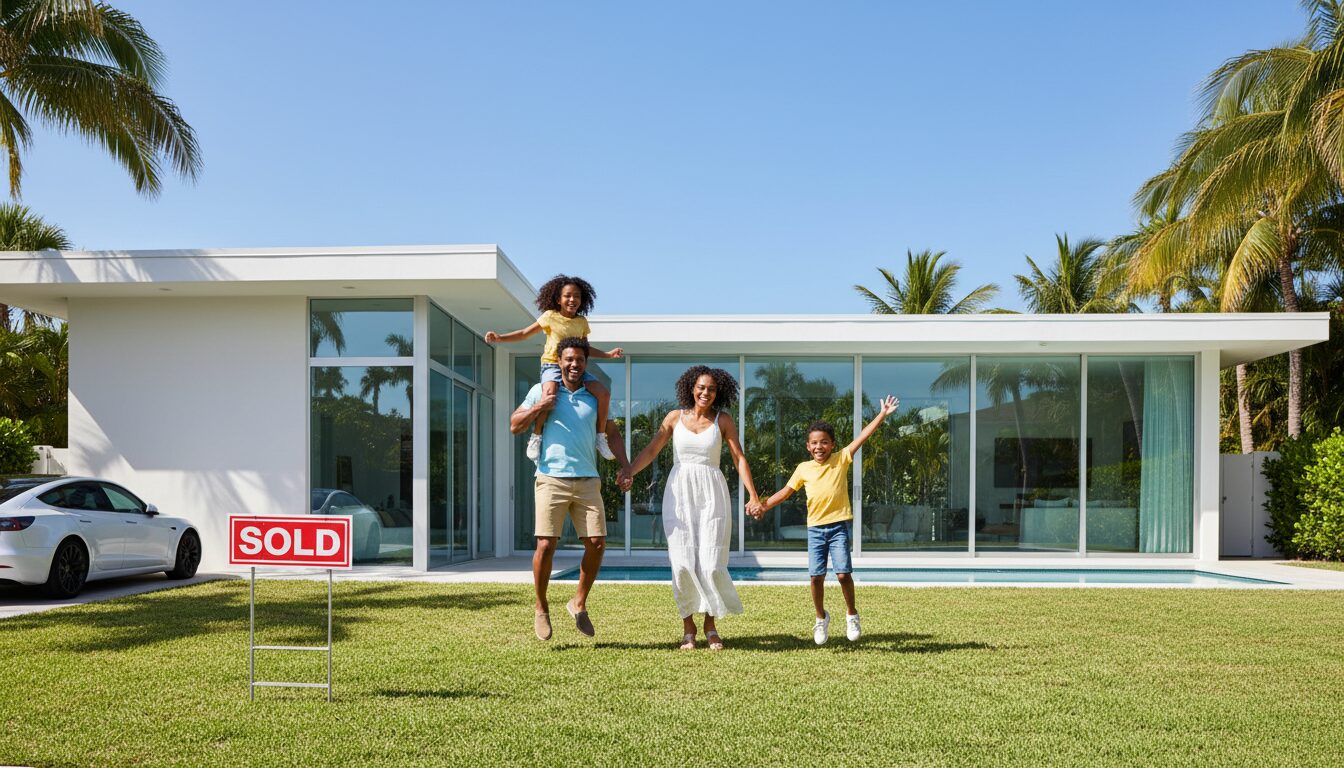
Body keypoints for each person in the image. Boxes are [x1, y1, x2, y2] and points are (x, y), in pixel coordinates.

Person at [619, 366, 762, 651]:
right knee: (683, 562)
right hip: (679, 493)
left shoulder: (723, 420)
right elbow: (652, 450)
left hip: (712, 494)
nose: (706, 393)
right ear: (691, 388)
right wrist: (630, 471)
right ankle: (688, 627)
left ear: (718, 392)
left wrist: (754, 495)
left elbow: (739, 458)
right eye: (701, 387)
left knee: (711, 563)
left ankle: (710, 625)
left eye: (711, 389)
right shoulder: (674, 418)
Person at [511, 337, 633, 641]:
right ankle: (541, 607)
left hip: (588, 478)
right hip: (551, 477)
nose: (574, 364)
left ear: (586, 363)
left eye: (579, 359)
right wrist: (540, 405)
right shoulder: (543, 390)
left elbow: (612, 432)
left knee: (597, 543)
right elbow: (514, 424)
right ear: (559, 361)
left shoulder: (594, 396)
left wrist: (626, 465)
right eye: (568, 359)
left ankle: (578, 602)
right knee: (545, 545)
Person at [750, 395, 899, 645]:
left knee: (843, 575)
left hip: (838, 527)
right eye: (814, 443)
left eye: (824, 442)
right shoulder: (803, 468)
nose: (819, 446)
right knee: (815, 577)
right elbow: (785, 492)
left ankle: (851, 614)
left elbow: (863, 437)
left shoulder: (841, 458)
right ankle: (821, 618)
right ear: (808, 447)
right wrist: (762, 505)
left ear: (832, 445)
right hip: (815, 530)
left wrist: (882, 415)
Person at [487, 274, 623, 464]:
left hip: (575, 368)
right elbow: (525, 333)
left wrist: (608, 355)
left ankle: (600, 437)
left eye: (577, 296)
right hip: (552, 365)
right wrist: (500, 338)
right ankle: (536, 436)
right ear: (558, 299)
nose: (572, 299)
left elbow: (585, 349)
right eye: (567, 296)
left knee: (604, 394)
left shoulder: (581, 322)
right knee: (549, 395)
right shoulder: (550, 316)